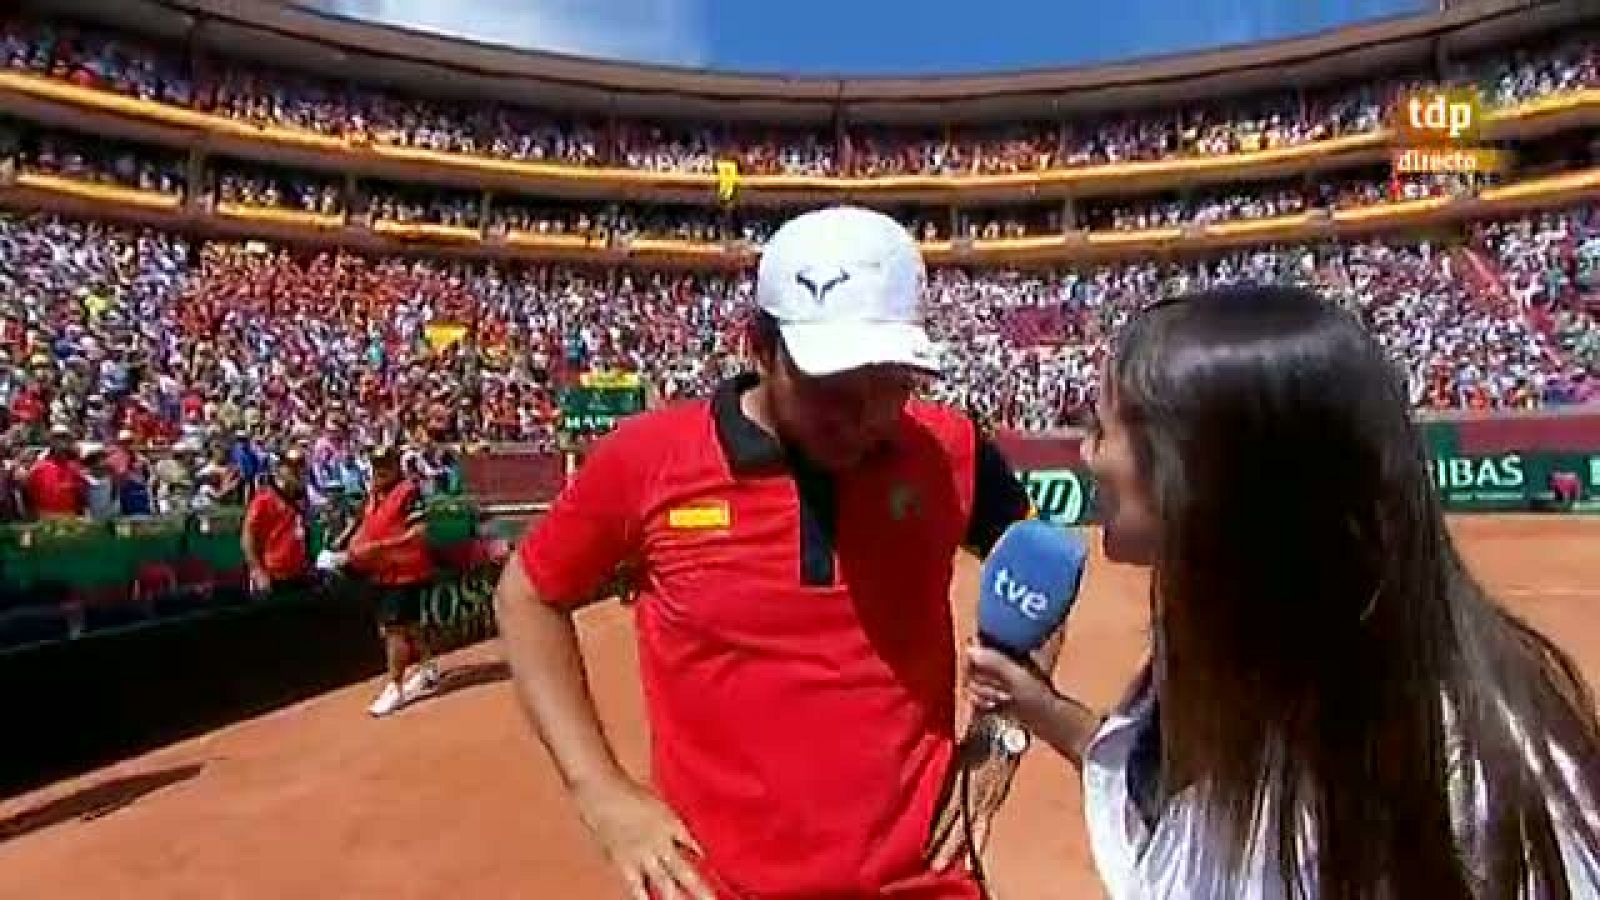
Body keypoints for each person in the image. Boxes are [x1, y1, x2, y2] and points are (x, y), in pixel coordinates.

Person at [965, 285, 1600, 899]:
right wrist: (1041, 709)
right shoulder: (1256, 667)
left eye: (1101, 431)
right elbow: (1173, 825)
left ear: (1197, 470)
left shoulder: (1468, 778)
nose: (1084, 455)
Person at [494, 206, 1044, 900]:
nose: (868, 417)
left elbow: (1039, 567)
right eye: (833, 389)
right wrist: (599, 790)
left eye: (892, 383)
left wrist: (1000, 733)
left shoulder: (949, 449)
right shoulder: (647, 460)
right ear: (758, 346)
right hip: (715, 887)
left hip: (923, 884)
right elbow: (529, 592)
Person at [340, 445, 439, 717]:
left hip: (407, 570)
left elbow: (419, 531)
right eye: (376, 465)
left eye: (385, 465)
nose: (380, 470)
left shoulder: (409, 491)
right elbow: (364, 525)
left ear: (396, 466)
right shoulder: (373, 493)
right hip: (382, 570)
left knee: (393, 628)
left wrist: (382, 546)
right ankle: (428, 667)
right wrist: (347, 548)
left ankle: (394, 686)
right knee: (409, 623)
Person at [241, 447, 314, 600]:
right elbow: (248, 537)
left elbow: (303, 534)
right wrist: (257, 571)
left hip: (298, 575)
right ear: (281, 469)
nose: (297, 471)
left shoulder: (301, 500)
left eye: (301, 466)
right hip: (273, 578)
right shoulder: (264, 499)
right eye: (291, 466)